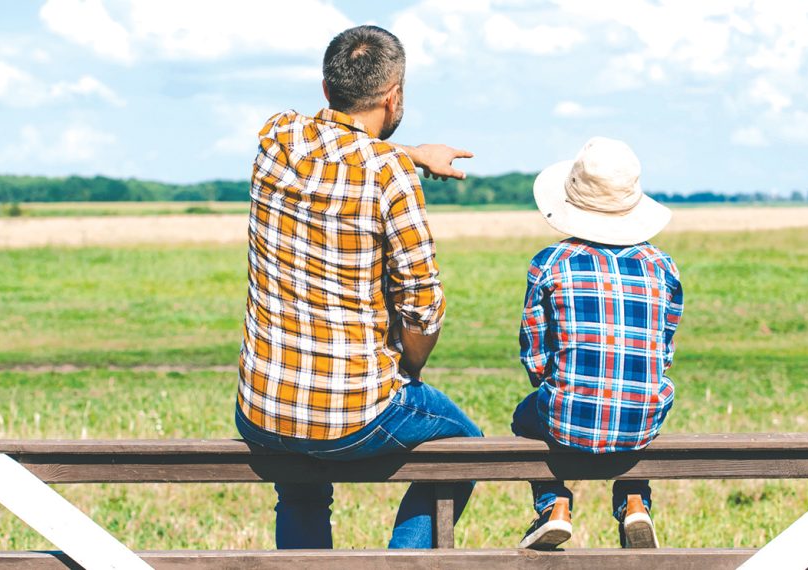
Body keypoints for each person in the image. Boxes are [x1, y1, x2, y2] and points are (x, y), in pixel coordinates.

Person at [235, 25, 482, 550]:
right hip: (354, 416)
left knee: (301, 489)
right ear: (394, 96)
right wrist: (407, 370)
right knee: (468, 445)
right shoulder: (390, 175)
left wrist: (412, 152)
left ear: (326, 89)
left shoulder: (276, 136)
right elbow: (423, 309)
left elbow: (342, 146)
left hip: (261, 409)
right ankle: (401, 561)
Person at [511, 137, 683, 550]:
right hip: (642, 419)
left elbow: (534, 358)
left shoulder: (550, 263)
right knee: (637, 403)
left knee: (524, 418)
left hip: (564, 417)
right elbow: (664, 354)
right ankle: (635, 500)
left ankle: (553, 506)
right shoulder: (661, 266)